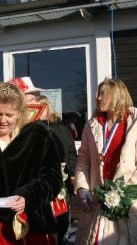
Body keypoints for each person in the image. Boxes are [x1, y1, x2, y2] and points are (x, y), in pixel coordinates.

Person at [0, 82, 63, 244]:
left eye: (9, 115)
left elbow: (52, 178)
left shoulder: (39, 136)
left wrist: (28, 198)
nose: (3, 120)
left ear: (20, 114)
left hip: (29, 223)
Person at [74, 78, 137, 244]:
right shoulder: (92, 126)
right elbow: (83, 158)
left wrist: (124, 195)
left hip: (125, 204)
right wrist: (82, 187)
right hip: (96, 203)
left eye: (103, 93)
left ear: (117, 95)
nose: (98, 98)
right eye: (98, 94)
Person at [35, 95, 77, 245]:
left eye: (42, 108)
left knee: (63, 222)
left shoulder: (60, 129)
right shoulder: (30, 131)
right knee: (45, 223)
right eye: (36, 108)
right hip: (41, 184)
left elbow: (71, 152)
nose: (40, 112)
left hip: (62, 181)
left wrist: (72, 173)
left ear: (48, 109)